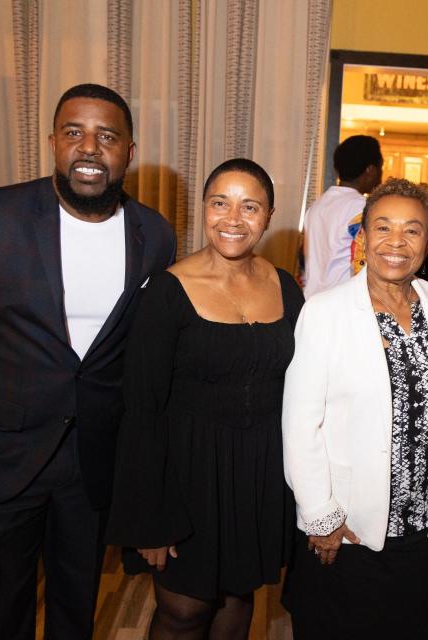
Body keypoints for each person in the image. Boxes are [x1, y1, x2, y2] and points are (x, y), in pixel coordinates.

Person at [0, 84, 176, 639]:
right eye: (74, 132)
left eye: (107, 136)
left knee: (75, 610)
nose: (89, 148)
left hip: (91, 462)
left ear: (130, 151)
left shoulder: (154, 234)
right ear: (53, 142)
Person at [106, 159, 303, 639]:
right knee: (184, 612)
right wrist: (150, 518)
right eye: (220, 203)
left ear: (270, 215)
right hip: (186, 478)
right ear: (203, 209)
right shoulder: (168, 292)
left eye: (249, 206)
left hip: (259, 476)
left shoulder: (286, 287)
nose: (233, 218)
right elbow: (142, 410)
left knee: (237, 602)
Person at [282, 178, 428, 638]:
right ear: (363, 237)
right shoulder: (325, 311)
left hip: (419, 528)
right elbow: (300, 425)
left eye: (412, 230)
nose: (396, 242)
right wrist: (321, 515)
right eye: (383, 227)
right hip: (349, 528)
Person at [302, 135, 382, 298]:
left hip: (311, 302)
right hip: (342, 303)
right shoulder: (363, 208)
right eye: (381, 167)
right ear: (370, 170)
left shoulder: (316, 207)